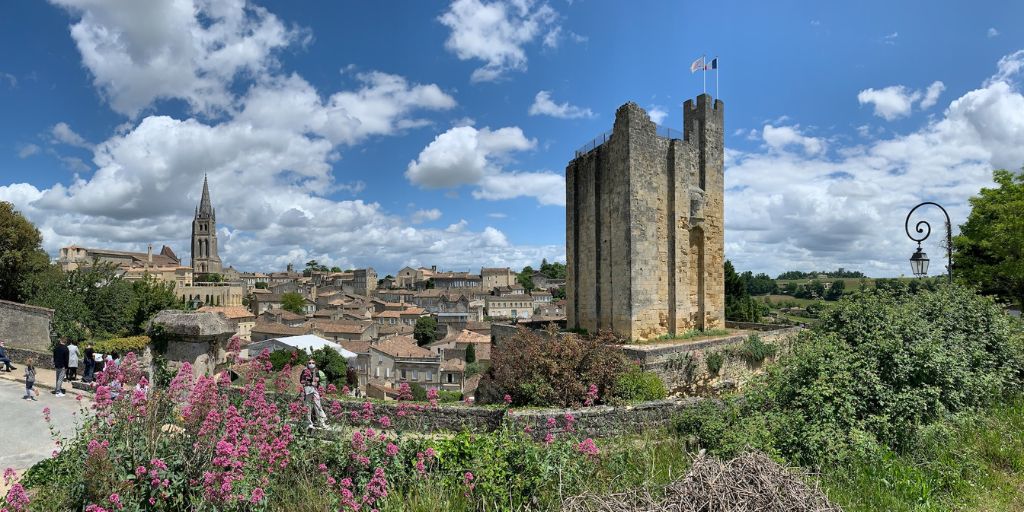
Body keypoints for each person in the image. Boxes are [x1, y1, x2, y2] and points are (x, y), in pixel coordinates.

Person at [299, 359, 327, 430]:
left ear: (315, 363)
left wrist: (316, 379)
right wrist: (310, 382)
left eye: (313, 363)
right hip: (307, 391)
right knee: (308, 407)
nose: (311, 364)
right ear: (307, 364)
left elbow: (318, 380)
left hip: (315, 390)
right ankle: (309, 423)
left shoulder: (316, 370)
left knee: (318, 405)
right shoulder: (304, 371)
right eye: (310, 363)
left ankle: (321, 422)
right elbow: (301, 381)